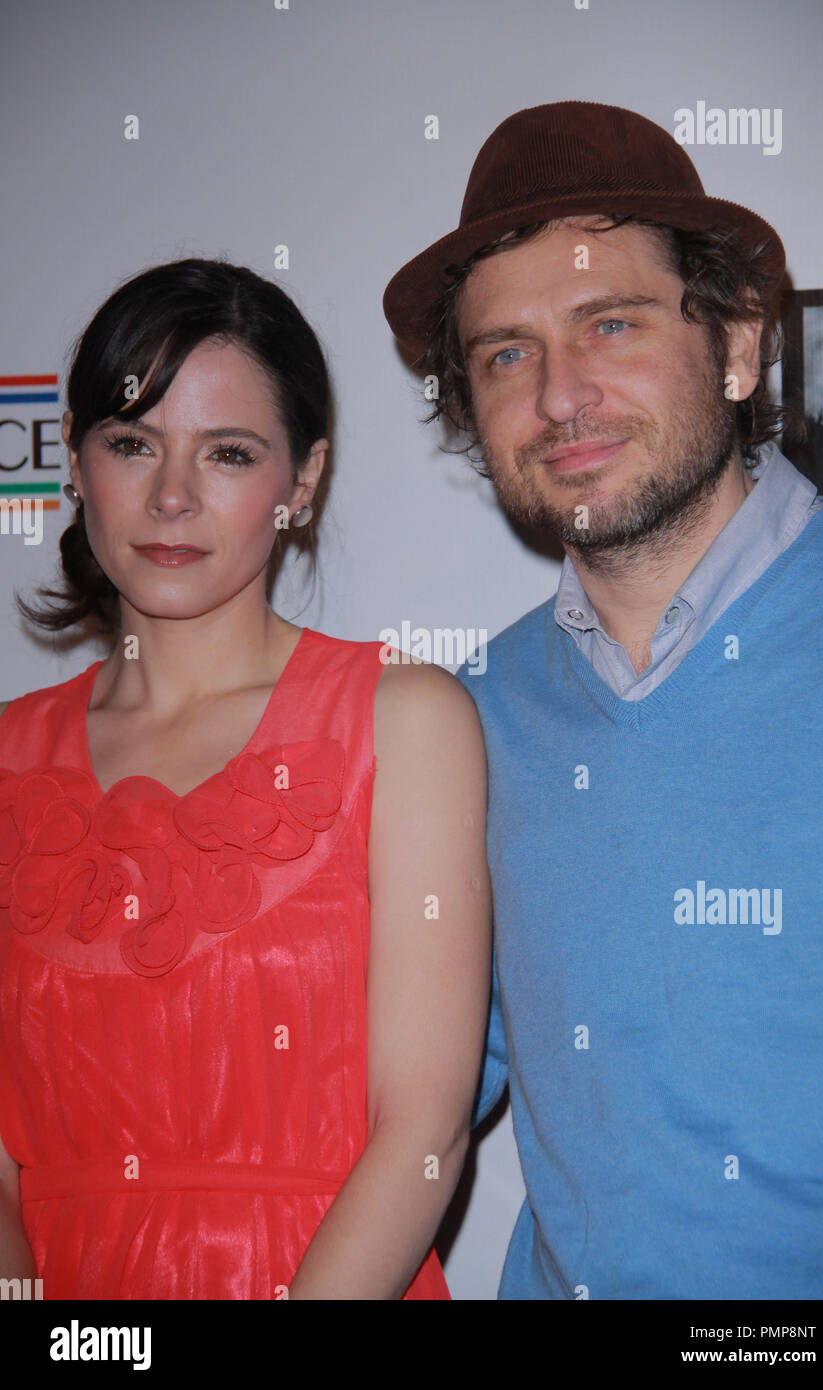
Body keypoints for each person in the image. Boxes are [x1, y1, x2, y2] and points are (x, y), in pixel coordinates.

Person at [383, 101, 823, 1300]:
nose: (558, 395)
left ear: (739, 347)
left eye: (610, 323)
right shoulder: (461, 722)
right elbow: (403, 1104)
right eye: (505, 353)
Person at [0, 257, 491, 1300]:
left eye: (227, 453)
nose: (171, 496)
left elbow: (424, 1128)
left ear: (300, 481)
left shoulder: (404, 721)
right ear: (76, 463)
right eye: (131, 442)